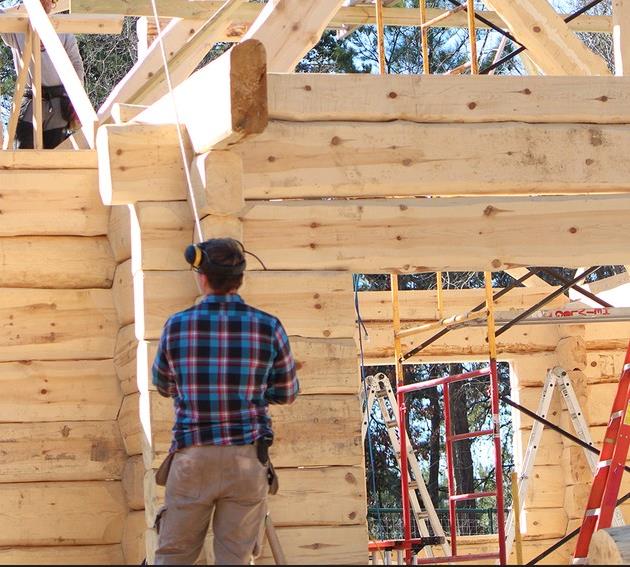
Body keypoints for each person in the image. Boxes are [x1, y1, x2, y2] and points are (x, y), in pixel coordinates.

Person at [152, 238, 299, 565]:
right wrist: (256, 392)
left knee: (173, 556)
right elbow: (287, 392)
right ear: (240, 278)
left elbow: (162, 384)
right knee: (236, 558)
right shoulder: (268, 326)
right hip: (246, 460)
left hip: (193, 458)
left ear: (202, 277)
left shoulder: (176, 326)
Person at [0, 0, 84, 148]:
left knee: (57, 153)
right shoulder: (16, 27)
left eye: (51, 0)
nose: (46, 3)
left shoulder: (62, 29)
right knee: (23, 155)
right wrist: (19, 9)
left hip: (58, 103)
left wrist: (78, 100)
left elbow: (76, 65)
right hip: (30, 100)